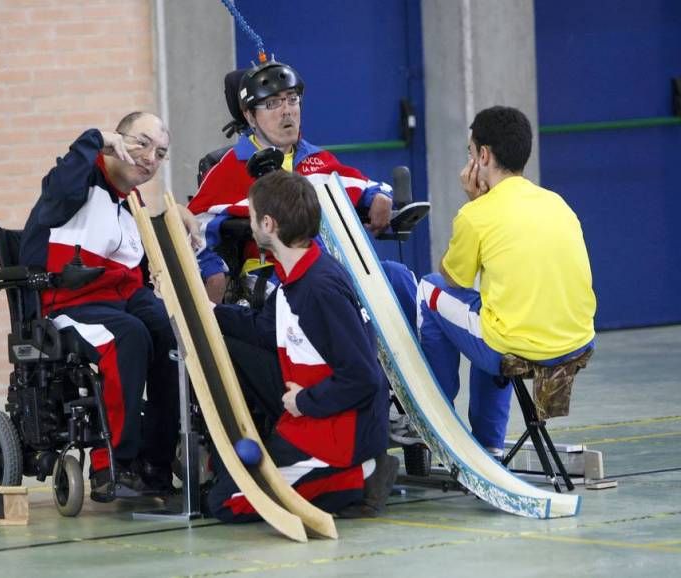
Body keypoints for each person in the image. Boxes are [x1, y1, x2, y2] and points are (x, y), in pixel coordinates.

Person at [19, 112, 199, 501]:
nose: (151, 157)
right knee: (128, 337)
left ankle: (156, 460)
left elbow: (138, 261)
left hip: (124, 299)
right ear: (115, 141)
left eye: (161, 152)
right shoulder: (78, 180)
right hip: (69, 303)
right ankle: (111, 464)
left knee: (173, 334)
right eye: (141, 143)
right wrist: (92, 140)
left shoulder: (130, 200)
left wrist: (173, 221)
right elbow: (58, 190)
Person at [208, 170, 399, 521]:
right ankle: (342, 477)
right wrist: (208, 311)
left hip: (339, 432)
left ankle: (362, 476)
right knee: (226, 489)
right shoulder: (296, 277)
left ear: (268, 224)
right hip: (315, 417)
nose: (249, 225)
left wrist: (303, 402)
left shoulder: (319, 288)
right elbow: (265, 330)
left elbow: (364, 378)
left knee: (227, 502)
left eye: (251, 217)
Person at [415, 106, 596, 458]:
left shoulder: (476, 214)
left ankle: (437, 419)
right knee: (489, 313)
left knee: (428, 288)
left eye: (470, 153)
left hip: (515, 344)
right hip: (578, 342)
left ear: (483, 155)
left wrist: (476, 205)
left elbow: (454, 278)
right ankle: (490, 443)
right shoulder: (557, 203)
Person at [187, 59, 402, 304]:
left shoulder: (317, 159)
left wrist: (380, 196)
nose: (287, 110)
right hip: (274, 277)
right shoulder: (231, 167)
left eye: (292, 99)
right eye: (272, 103)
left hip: (332, 268)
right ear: (250, 116)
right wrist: (212, 269)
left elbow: (362, 186)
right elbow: (192, 225)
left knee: (398, 277)